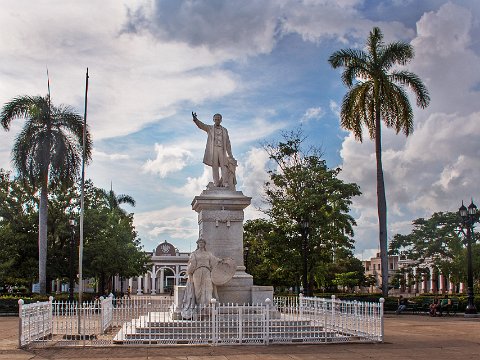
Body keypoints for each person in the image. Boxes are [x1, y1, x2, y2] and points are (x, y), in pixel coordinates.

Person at [192, 112, 234, 188]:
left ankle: (225, 182)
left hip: (222, 149)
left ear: (221, 120)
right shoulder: (210, 128)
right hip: (213, 149)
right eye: (216, 119)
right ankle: (216, 183)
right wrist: (195, 120)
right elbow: (202, 126)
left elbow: (228, 143)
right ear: (213, 120)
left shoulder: (225, 130)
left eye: (218, 119)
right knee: (214, 167)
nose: (217, 120)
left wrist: (230, 155)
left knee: (224, 166)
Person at [181, 238, 221, 319]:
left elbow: (214, 261)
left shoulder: (208, 254)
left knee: (209, 289)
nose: (201, 244)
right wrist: (189, 272)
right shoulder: (194, 254)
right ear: (197, 244)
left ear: (204, 244)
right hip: (197, 272)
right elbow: (192, 264)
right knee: (198, 291)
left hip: (207, 272)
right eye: (200, 242)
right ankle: (200, 309)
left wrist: (221, 261)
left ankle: (207, 308)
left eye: (202, 242)